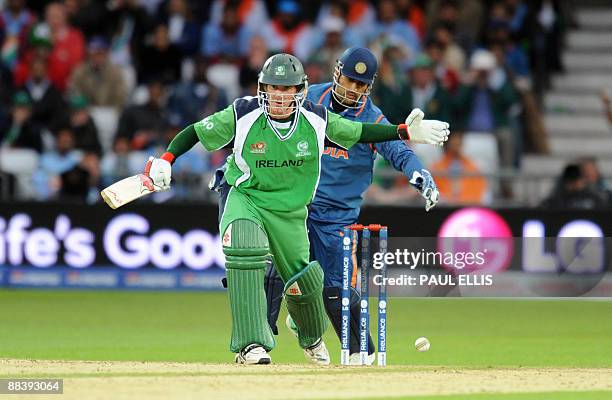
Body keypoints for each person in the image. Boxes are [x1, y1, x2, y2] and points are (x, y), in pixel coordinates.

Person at [145, 53, 449, 365]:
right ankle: (253, 344)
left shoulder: (343, 116)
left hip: (324, 213)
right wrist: (186, 163)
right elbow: (224, 131)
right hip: (271, 199)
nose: (354, 89)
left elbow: (383, 143)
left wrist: (414, 156)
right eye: (349, 80)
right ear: (336, 74)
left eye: (362, 84)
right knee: (258, 261)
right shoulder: (280, 101)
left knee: (325, 288)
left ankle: (338, 343)